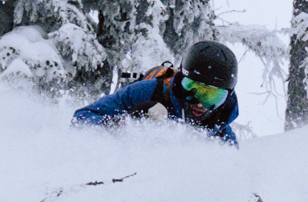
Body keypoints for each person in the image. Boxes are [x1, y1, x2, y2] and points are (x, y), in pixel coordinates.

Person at [73, 40, 240, 146]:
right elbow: (80, 119)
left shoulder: (220, 128)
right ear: (180, 79)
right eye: (192, 88)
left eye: (212, 96)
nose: (200, 103)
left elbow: (232, 173)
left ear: (226, 98)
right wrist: (122, 124)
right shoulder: (147, 91)